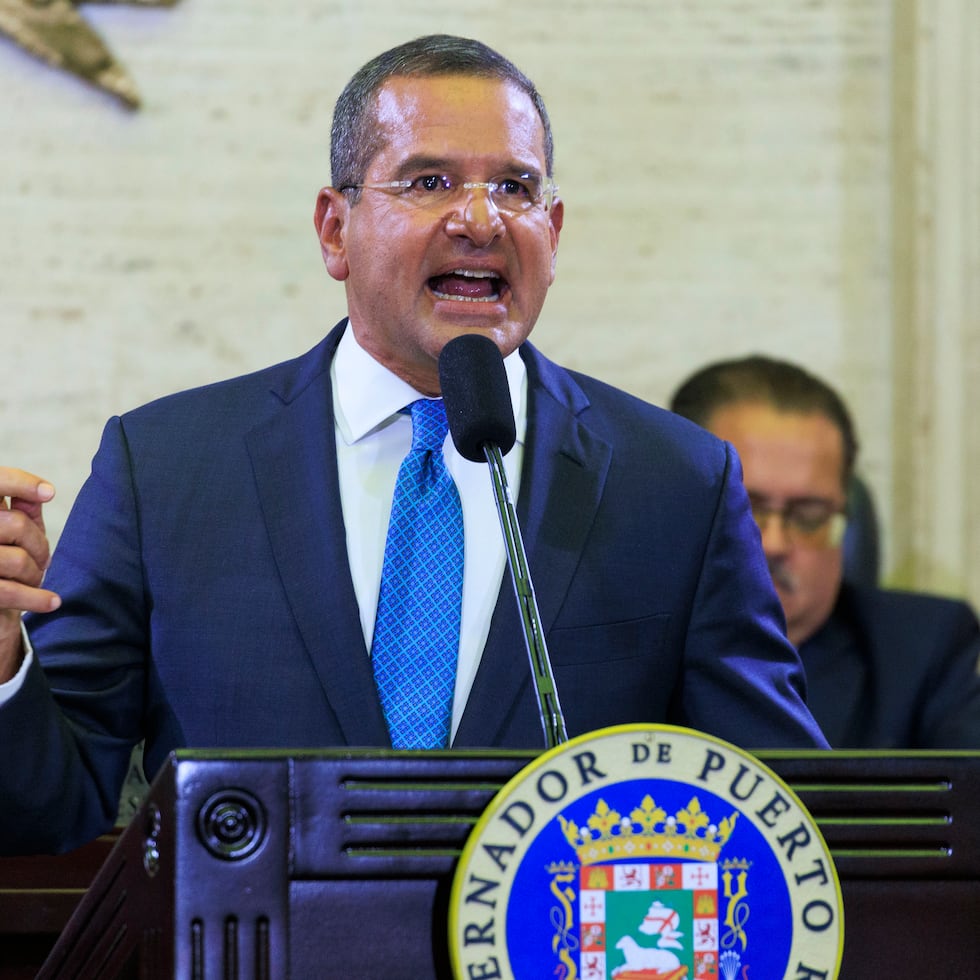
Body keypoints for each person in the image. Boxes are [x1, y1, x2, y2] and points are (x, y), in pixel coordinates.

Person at [0, 35, 827, 856]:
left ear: (556, 229)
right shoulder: (167, 469)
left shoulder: (675, 482)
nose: (480, 219)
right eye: (430, 182)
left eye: (516, 187)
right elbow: (48, 810)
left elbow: (786, 817)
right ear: (335, 229)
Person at [670, 354, 980, 750]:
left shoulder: (921, 650)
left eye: (809, 516)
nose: (774, 544)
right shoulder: (605, 641)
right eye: (743, 508)